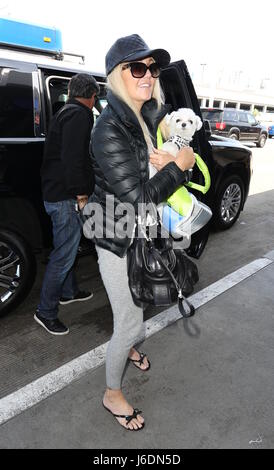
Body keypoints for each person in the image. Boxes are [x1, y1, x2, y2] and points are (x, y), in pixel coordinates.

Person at [88, 34, 195, 430]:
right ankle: (112, 394)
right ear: (118, 75)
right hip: (115, 235)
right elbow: (138, 199)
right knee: (132, 321)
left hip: (140, 232)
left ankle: (130, 347)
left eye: (152, 67)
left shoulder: (143, 117)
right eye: (138, 68)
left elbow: (173, 139)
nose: (148, 75)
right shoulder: (109, 129)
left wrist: (176, 155)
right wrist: (179, 166)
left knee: (142, 297)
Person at [35, 73, 100, 336]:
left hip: (55, 192)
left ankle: (69, 292)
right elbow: (73, 160)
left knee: (68, 247)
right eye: (96, 97)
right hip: (66, 197)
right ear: (92, 95)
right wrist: (81, 194)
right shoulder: (80, 115)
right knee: (63, 254)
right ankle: (45, 311)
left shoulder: (65, 111)